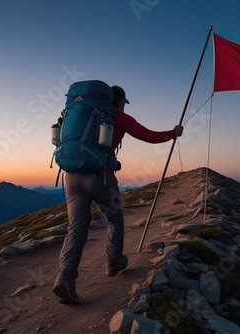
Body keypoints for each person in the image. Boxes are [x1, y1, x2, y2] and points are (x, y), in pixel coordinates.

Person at [52, 85, 183, 304]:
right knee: (114, 218)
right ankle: (113, 262)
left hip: (71, 176)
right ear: (119, 100)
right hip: (101, 177)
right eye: (124, 101)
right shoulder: (118, 116)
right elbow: (149, 136)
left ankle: (65, 277)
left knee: (76, 228)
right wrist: (173, 133)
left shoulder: (80, 111)